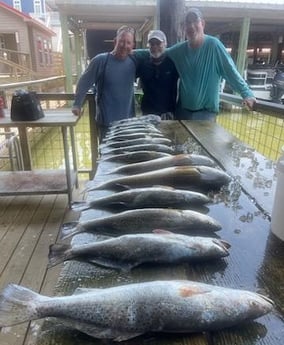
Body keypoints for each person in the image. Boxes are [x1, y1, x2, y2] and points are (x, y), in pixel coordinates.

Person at [167, 8, 256, 121]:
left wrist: (246, 93)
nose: (191, 26)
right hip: (183, 112)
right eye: (188, 23)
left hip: (206, 113)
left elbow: (231, 72)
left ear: (203, 24)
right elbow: (160, 52)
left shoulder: (214, 45)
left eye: (195, 21)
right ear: (184, 27)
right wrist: (137, 53)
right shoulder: (179, 50)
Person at [72, 26, 136, 140]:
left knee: (126, 156)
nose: (124, 45)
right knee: (107, 156)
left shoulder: (134, 62)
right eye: (121, 41)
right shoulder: (100, 61)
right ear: (115, 41)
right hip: (107, 125)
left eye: (128, 43)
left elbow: (151, 54)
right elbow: (84, 83)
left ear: (132, 45)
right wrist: (77, 104)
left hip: (128, 124)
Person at [135, 30, 179, 119]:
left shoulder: (173, 64)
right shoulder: (143, 64)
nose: (155, 46)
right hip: (147, 114)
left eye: (158, 43)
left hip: (168, 114)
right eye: (152, 44)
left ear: (165, 44)